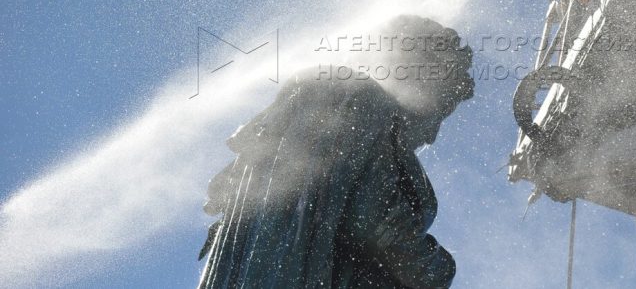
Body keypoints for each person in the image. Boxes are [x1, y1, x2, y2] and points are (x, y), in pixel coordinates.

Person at [197, 15, 475, 288]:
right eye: (440, 110)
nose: (432, 134)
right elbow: (373, 222)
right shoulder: (364, 104)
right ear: (420, 78)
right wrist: (439, 269)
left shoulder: (310, 100)